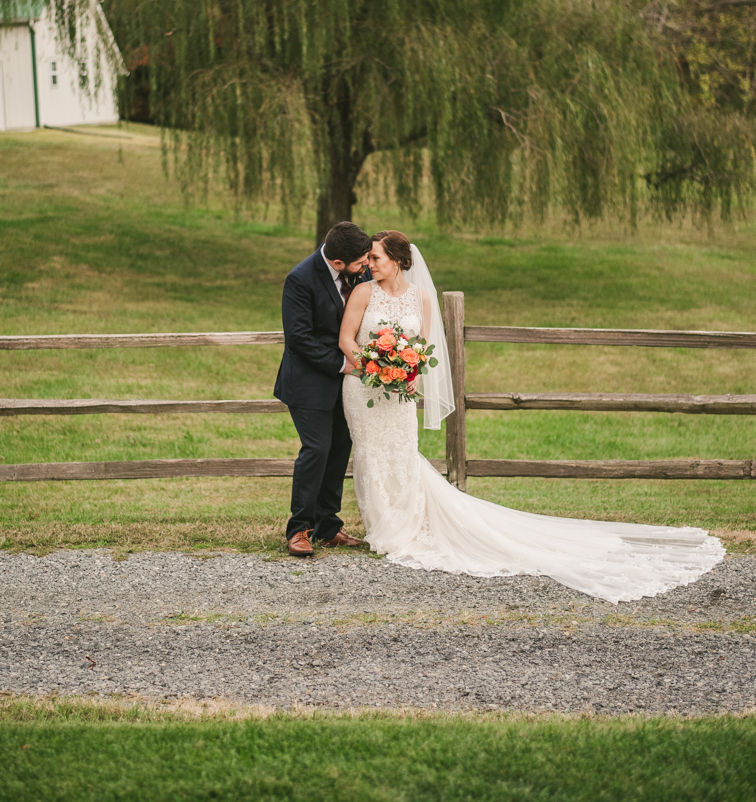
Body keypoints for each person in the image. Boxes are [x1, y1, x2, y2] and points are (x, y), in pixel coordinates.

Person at [339, 230, 725, 604]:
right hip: (363, 388)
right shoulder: (363, 292)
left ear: (399, 261)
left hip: (400, 391)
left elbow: (421, 348)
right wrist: (374, 370)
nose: (369, 263)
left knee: (403, 453)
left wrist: (405, 373)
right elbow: (346, 340)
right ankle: (383, 527)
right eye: (369, 257)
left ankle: (402, 527)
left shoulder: (422, 298)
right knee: (372, 452)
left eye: (376, 257)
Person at [274, 221, 372, 557]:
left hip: (348, 386)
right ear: (338, 262)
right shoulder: (300, 279)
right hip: (308, 382)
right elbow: (299, 339)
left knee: (339, 451)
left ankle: (328, 526)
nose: (367, 266)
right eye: (361, 262)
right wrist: (347, 364)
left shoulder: (361, 274)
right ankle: (299, 529)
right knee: (316, 450)